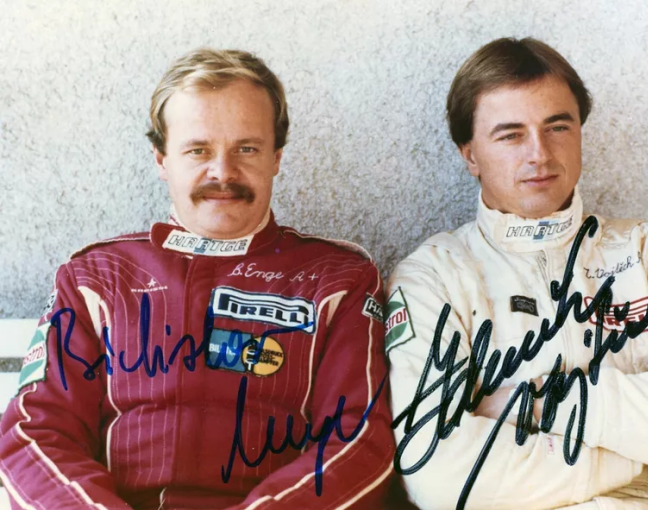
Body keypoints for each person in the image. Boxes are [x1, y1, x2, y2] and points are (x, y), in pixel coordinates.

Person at [0, 49, 394, 510]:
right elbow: (33, 435)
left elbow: (359, 441)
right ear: (161, 159)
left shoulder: (338, 279)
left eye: (246, 149)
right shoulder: (96, 278)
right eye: (198, 150)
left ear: (276, 158)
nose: (223, 172)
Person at [385, 37, 648, 510]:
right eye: (510, 135)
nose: (539, 154)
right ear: (470, 155)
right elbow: (440, 477)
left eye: (557, 127)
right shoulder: (434, 277)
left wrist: (539, 404)